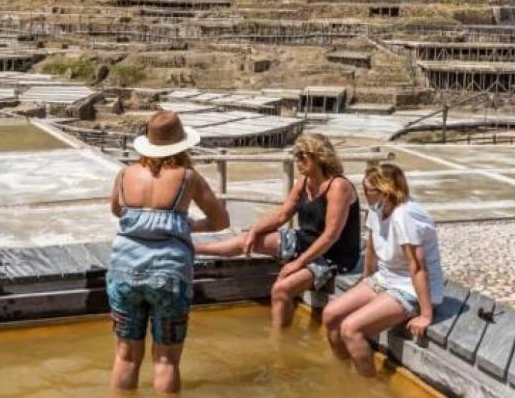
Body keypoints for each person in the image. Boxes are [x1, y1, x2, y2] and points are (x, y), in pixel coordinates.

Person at [107, 111, 230, 394]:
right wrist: (186, 225)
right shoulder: (188, 178)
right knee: (166, 361)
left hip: (124, 270)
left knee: (125, 357)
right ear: (182, 144)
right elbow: (221, 221)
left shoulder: (125, 174)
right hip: (169, 275)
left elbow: (117, 210)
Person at [195, 133, 361, 328]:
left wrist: (297, 264)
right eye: (296, 155)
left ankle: (279, 344)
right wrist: (254, 231)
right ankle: (194, 248)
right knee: (246, 239)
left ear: (318, 156)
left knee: (281, 290)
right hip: (305, 240)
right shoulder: (302, 182)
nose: (297, 160)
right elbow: (282, 215)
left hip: (333, 255)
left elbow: (330, 235)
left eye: (302, 155)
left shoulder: (338, 186)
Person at [323, 163, 444, 378]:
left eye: (367, 190)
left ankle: (369, 386)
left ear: (385, 192)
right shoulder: (377, 208)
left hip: (411, 288)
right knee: (330, 314)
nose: (363, 193)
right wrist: (366, 279)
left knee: (351, 329)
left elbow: (417, 267)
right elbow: (371, 248)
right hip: (386, 278)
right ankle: (344, 371)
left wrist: (426, 314)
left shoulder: (404, 216)